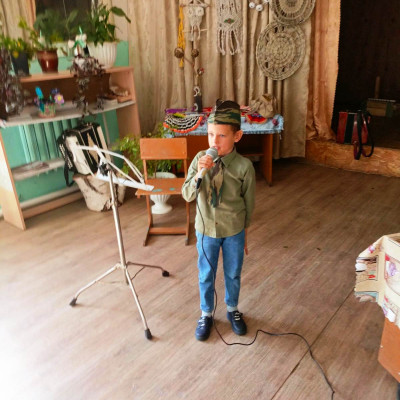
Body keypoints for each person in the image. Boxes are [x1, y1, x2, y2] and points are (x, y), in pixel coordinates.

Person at [182, 99, 256, 341]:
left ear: (237, 136)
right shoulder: (199, 159)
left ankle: (233, 309)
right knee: (206, 273)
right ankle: (206, 313)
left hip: (233, 230)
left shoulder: (244, 167)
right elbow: (187, 194)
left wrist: (245, 233)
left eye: (222, 136)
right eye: (210, 134)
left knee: (233, 272)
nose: (214, 142)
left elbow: (249, 204)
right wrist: (199, 174)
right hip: (206, 230)